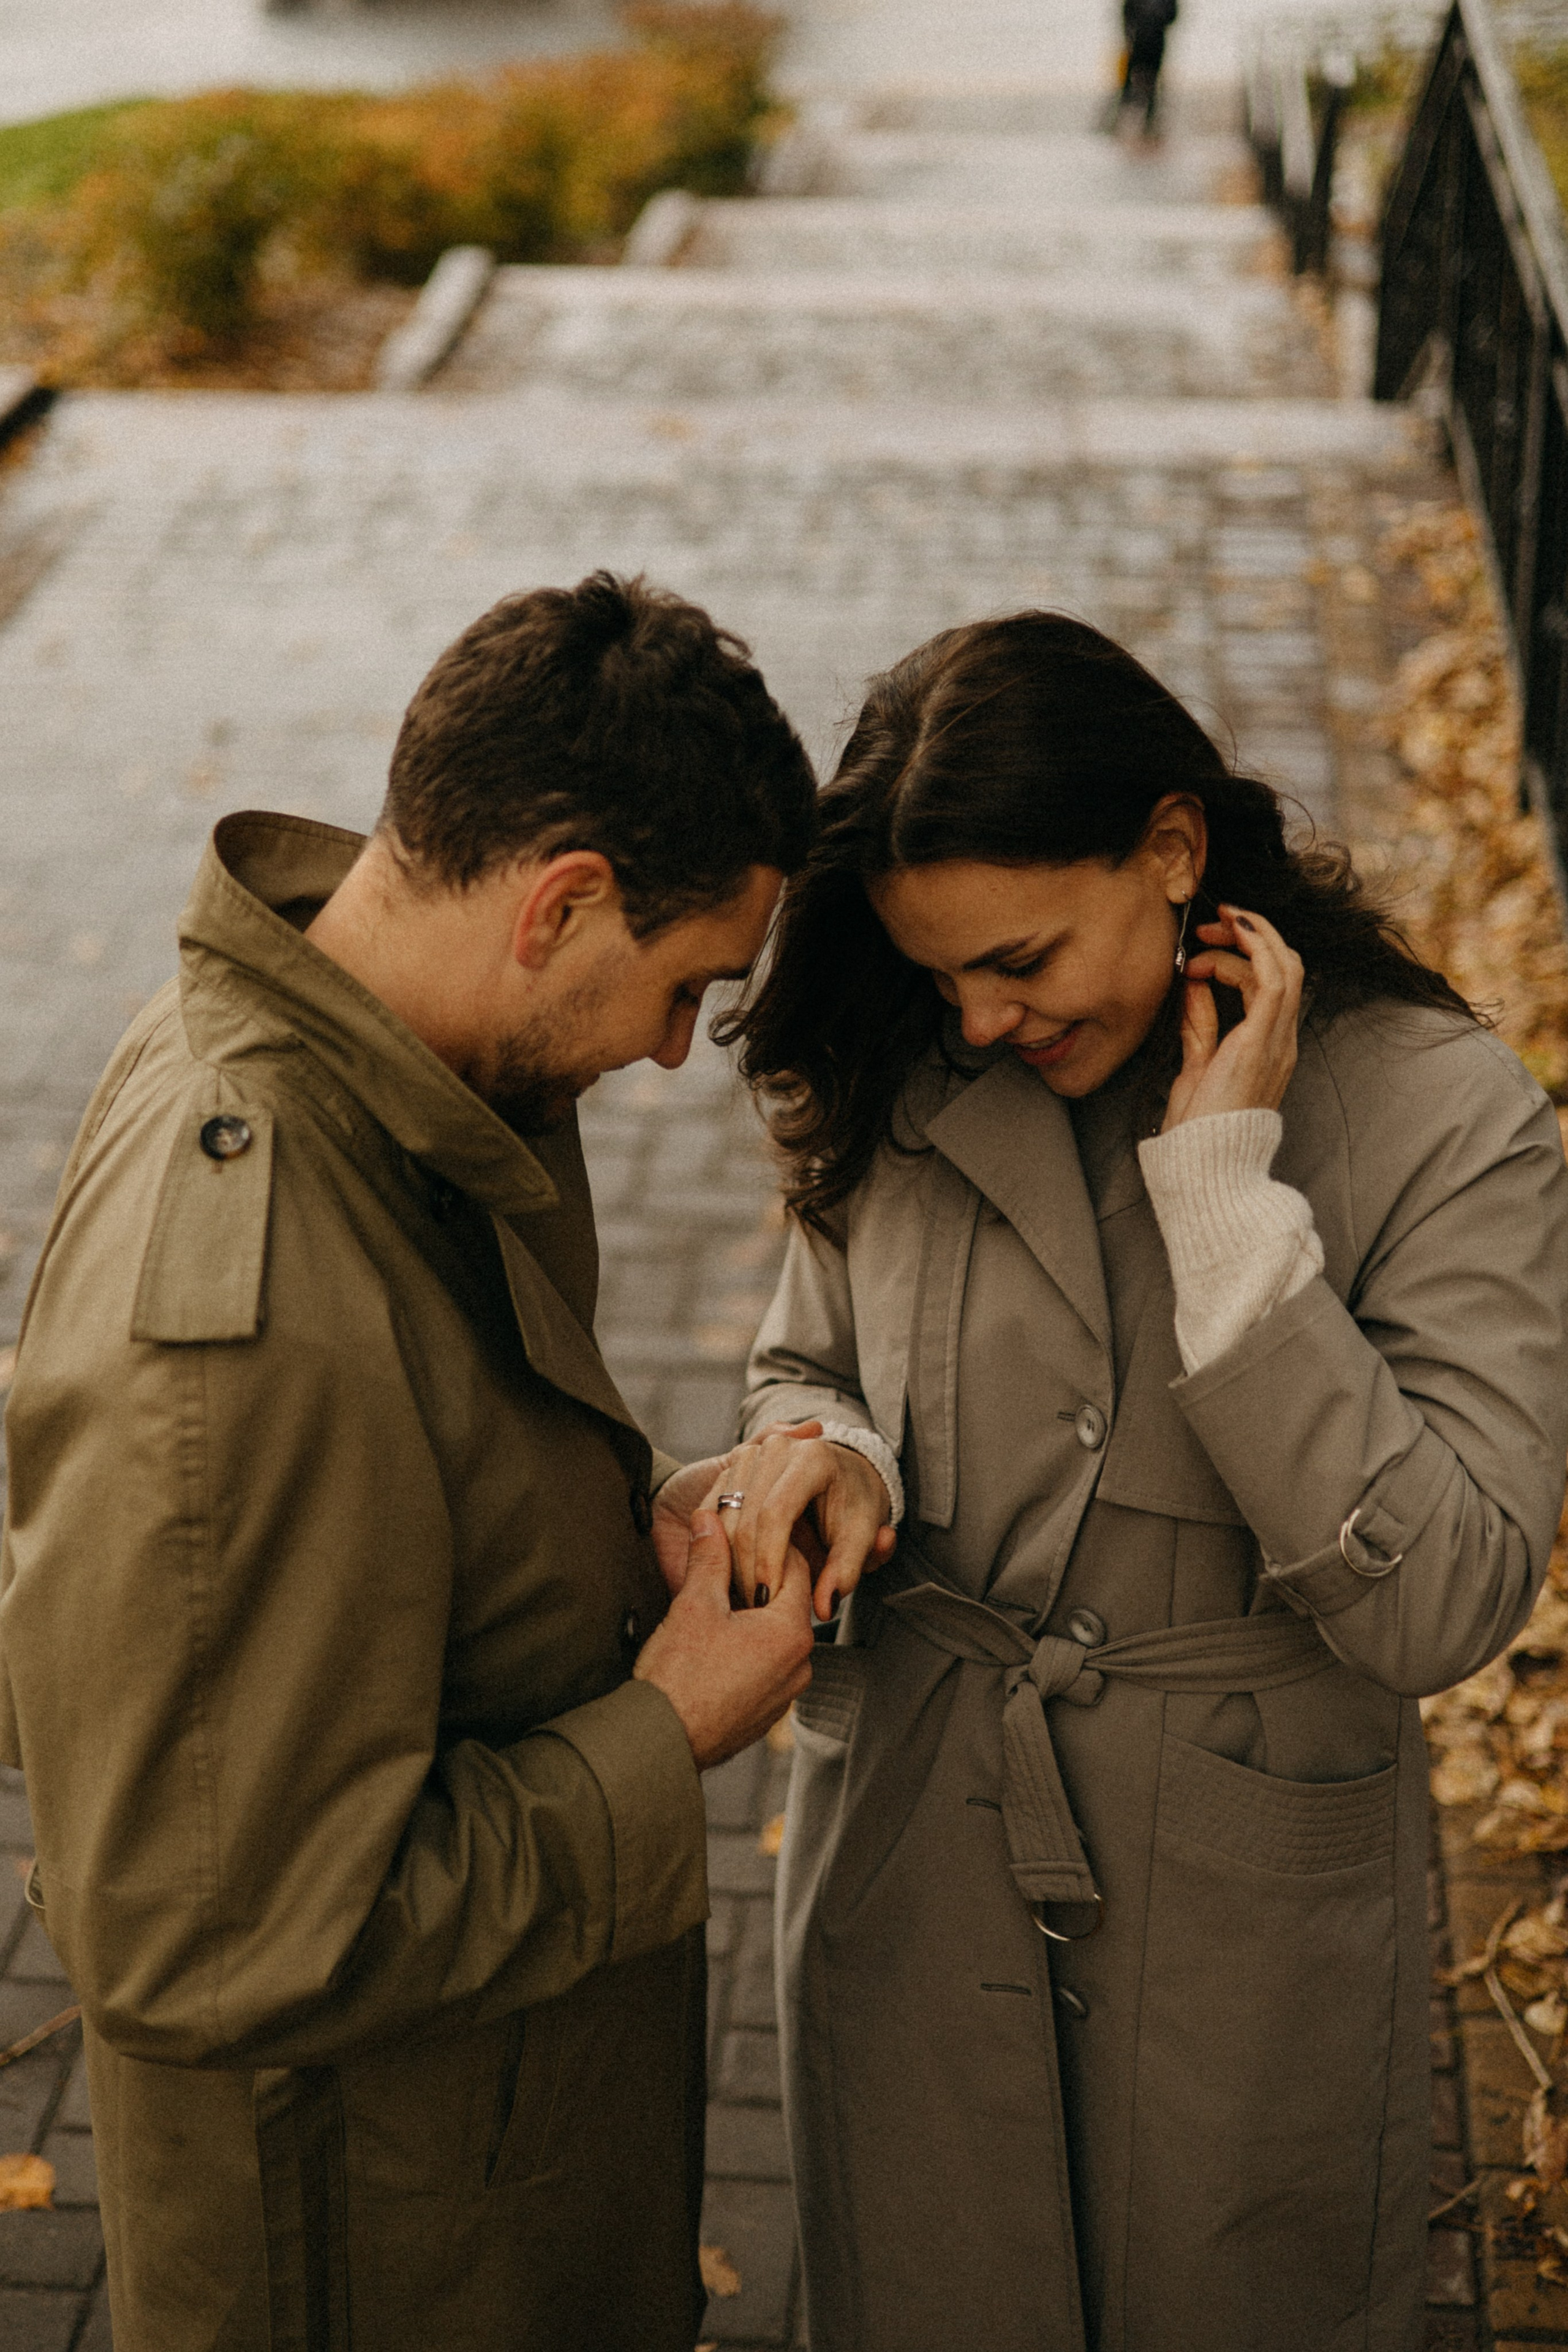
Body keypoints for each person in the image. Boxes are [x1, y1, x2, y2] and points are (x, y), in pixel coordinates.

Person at [0, 573, 891, 2352]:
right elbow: (205, 1939)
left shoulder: (358, 1067)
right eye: (679, 987)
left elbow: (356, 1550)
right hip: (379, 2261)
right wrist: (666, 1731)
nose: (663, 1050)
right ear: (559, 901)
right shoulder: (249, 1312)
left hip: (473, 2184)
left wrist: (604, 1532)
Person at [713, 611, 1568, 2352]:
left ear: (1173, 850)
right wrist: (842, 1452)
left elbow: (1452, 1595)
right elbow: (808, 1363)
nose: (980, 1015)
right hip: (919, 1851)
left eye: (1020, 957)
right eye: (941, 972)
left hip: (1242, 1897)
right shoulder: (910, 1051)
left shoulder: (1442, 1112)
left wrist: (1231, 1212)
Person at [1117, 0, 1177, 135]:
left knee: (1141, 81)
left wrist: (1128, 35)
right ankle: (1144, 119)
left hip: (1145, 40)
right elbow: (1172, 16)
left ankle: (1143, 119)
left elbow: (1127, 14)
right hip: (1148, 40)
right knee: (1146, 81)